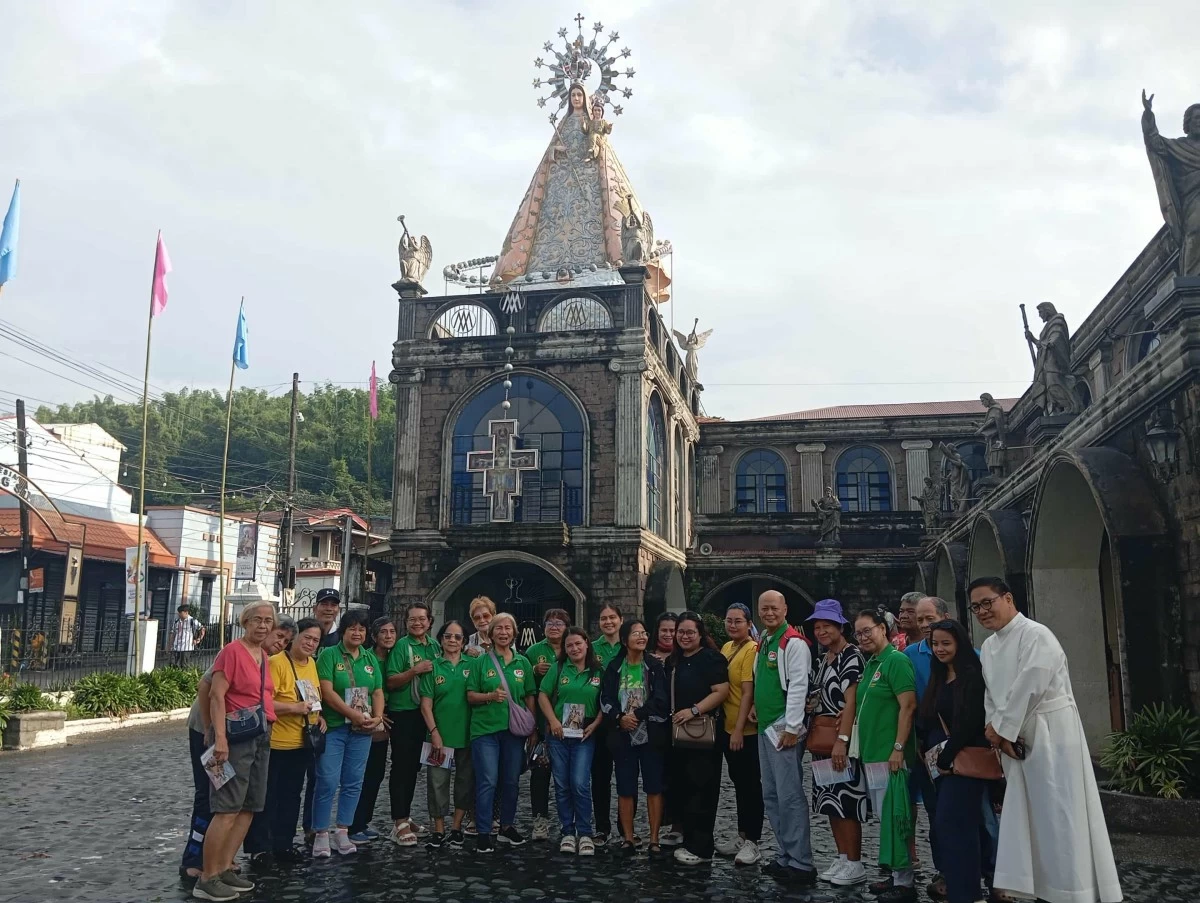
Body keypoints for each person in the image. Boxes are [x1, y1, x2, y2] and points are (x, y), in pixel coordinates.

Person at [971, 577, 1122, 903]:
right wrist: (995, 733)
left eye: (988, 602)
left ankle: (1072, 891)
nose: (983, 611)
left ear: (1007, 598)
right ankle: (1039, 889)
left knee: (1059, 816)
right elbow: (992, 697)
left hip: (1051, 736)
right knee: (1027, 819)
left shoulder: (1037, 635)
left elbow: (1032, 683)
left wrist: (1002, 730)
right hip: (1015, 741)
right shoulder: (991, 647)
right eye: (976, 607)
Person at [193, 601, 278, 903]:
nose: (264, 626)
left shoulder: (264, 656)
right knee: (227, 807)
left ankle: (226, 866)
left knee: (249, 806)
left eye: (269, 620)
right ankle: (208, 876)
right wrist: (219, 739)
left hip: (261, 733)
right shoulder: (231, 652)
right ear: (245, 622)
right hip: (236, 736)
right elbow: (216, 696)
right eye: (257, 620)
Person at [919, 619, 991, 903]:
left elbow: (971, 723)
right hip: (941, 764)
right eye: (935, 643)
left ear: (959, 643)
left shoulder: (972, 677)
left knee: (955, 825)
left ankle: (968, 893)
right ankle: (965, 891)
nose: (939, 649)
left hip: (962, 763)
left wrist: (946, 758)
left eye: (946, 643)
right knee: (950, 827)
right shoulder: (939, 677)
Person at [852, 608, 918, 903]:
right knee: (885, 816)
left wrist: (899, 748)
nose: (863, 637)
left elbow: (908, 706)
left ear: (883, 629)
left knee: (896, 815)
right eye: (858, 633)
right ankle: (893, 872)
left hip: (891, 755)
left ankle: (905, 881)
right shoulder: (871, 664)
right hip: (872, 755)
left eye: (868, 630)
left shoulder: (896, 661)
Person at [312, 608, 385, 859]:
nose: (357, 632)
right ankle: (320, 832)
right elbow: (327, 691)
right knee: (328, 781)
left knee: (354, 782)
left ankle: (343, 829)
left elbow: (377, 691)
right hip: (334, 727)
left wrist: (377, 716)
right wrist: (352, 714)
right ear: (343, 630)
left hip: (362, 730)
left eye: (362, 629)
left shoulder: (369, 658)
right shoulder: (329, 655)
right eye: (352, 627)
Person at [755, 590, 816, 887]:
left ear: (785, 609)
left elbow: (798, 686)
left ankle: (801, 861)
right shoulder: (764, 640)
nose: (768, 613)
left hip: (783, 729)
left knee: (789, 794)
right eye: (763, 608)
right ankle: (785, 854)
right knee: (772, 794)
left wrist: (793, 727)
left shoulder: (793, 643)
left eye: (773, 608)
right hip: (764, 728)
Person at [250, 618, 324, 862]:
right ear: (295, 637)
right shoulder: (276, 663)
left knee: (292, 795)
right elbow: (264, 701)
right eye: (307, 638)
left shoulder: (312, 664)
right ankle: (261, 847)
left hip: (301, 742)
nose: (311, 644)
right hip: (276, 743)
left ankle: (284, 843)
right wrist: (294, 708)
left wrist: (318, 716)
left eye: (315, 640)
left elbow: (313, 697)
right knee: (268, 796)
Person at [806, 599, 869, 886]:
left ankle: (855, 862)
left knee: (847, 799)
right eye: (817, 627)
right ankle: (842, 856)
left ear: (840, 626)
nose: (821, 631)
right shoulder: (822, 659)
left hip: (840, 737)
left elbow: (851, 700)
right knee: (831, 801)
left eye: (827, 626)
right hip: (821, 738)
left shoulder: (851, 656)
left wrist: (842, 740)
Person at [467, 612, 537, 853]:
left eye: (508, 628)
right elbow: (470, 695)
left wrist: (532, 727)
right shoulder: (481, 662)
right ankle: (484, 832)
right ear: (491, 632)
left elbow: (529, 695)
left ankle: (507, 826)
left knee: (511, 781)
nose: (504, 632)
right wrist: (490, 696)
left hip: (514, 731)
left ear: (514, 632)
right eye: (499, 628)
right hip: (485, 730)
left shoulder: (523, 663)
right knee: (487, 781)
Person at [667, 611, 730, 866]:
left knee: (702, 790)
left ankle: (701, 847)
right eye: (680, 632)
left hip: (702, 733)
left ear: (700, 634)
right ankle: (689, 838)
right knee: (683, 788)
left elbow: (721, 691)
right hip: (678, 735)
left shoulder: (711, 658)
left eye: (690, 632)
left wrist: (694, 710)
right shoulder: (675, 660)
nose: (684, 636)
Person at [600, 617, 668, 853]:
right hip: (623, 734)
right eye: (636, 633)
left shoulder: (654, 665)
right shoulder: (614, 666)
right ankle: (628, 837)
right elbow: (606, 698)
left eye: (644, 633)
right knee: (625, 787)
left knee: (653, 786)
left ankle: (654, 838)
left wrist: (637, 714)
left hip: (650, 732)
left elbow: (660, 698)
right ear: (624, 639)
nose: (642, 637)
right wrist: (620, 718)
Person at [539, 626, 604, 855]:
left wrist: (596, 723)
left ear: (587, 643)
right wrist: (553, 721)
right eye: (569, 645)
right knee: (562, 784)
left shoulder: (598, 671)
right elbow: (543, 695)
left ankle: (585, 832)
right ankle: (568, 831)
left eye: (578, 643)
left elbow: (606, 702)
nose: (574, 648)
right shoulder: (558, 668)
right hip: (559, 733)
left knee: (579, 782)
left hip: (586, 733)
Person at [905, 595, 952, 896]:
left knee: (977, 812)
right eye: (920, 620)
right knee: (936, 811)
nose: (924, 625)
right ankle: (944, 870)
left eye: (929, 619)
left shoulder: (967, 654)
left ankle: (991, 873)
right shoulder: (910, 654)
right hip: (926, 743)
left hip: (964, 741)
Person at [384, 602, 439, 846]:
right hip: (404, 712)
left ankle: (406, 815)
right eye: (412, 619)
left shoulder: (435, 646)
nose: (417, 623)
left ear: (429, 622)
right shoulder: (401, 647)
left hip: (426, 714)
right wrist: (414, 671)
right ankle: (399, 822)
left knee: (415, 768)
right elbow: (391, 681)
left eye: (422, 619)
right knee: (401, 768)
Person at [420, 620, 475, 848]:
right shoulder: (432, 667)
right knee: (437, 784)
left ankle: (457, 827)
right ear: (440, 640)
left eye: (458, 637)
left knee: (465, 782)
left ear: (464, 642)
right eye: (448, 636)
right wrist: (434, 732)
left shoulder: (474, 664)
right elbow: (425, 705)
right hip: (438, 735)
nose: (452, 640)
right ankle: (439, 828)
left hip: (469, 734)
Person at [715, 603, 762, 865]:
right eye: (729, 621)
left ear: (748, 624)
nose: (732, 625)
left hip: (744, 731)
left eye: (738, 621)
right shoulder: (726, 648)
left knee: (750, 786)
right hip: (727, 726)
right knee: (738, 784)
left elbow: (747, 692)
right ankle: (741, 834)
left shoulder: (751, 650)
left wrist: (739, 729)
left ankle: (752, 840)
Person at [349, 616, 398, 843]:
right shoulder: (367, 658)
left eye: (392, 632)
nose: (388, 636)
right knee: (364, 773)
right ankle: (352, 823)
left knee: (376, 774)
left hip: (385, 720)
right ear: (375, 636)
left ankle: (363, 821)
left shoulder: (394, 657)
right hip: (369, 720)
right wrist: (377, 714)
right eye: (383, 632)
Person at [525, 608, 570, 841]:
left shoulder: (573, 647)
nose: (554, 627)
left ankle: (569, 822)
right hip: (542, 721)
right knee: (541, 771)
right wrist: (533, 670)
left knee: (569, 775)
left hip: (570, 718)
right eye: (550, 623)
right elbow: (523, 683)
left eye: (559, 623)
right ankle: (540, 819)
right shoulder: (534, 651)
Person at [590, 603, 624, 844]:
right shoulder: (592, 649)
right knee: (599, 776)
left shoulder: (631, 645)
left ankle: (626, 829)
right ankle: (602, 827)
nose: (609, 622)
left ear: (621, 620)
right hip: (599, 720)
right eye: (604, 618)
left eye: (612, 617)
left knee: (625, 777)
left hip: (625, 721)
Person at [649, 611, 682, 846]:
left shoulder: (684, 656)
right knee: (658, 777)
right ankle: (661, 823)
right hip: (654, 726)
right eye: (665, 630)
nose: (669, 634)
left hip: (681, 723)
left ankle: (679, 824)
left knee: (678, 774)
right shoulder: (648, 657)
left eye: (673, 630)